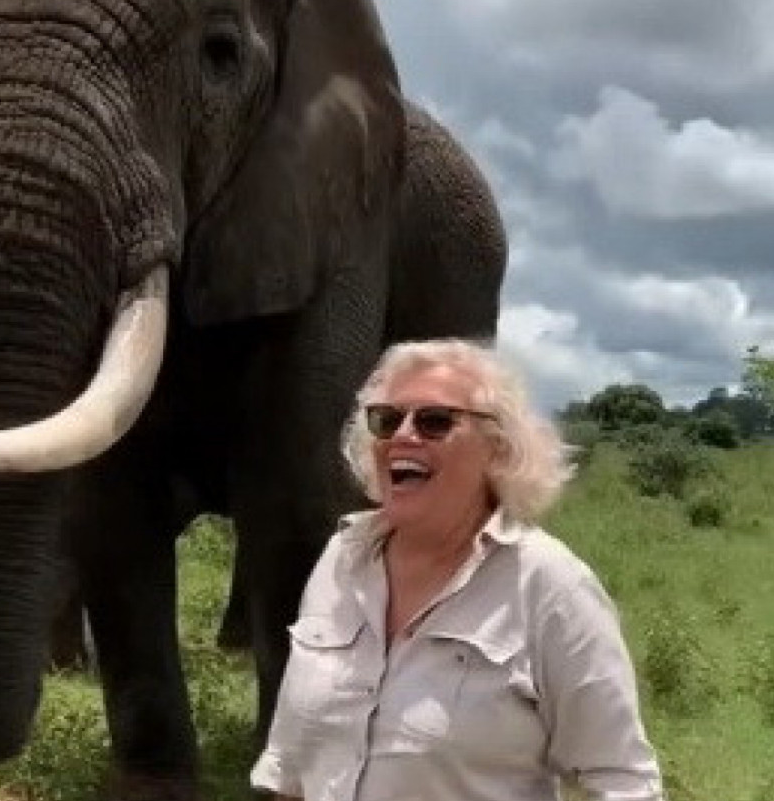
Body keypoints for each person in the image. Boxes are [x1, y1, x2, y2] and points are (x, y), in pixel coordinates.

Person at [251, 339, 664, 801]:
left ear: (498, 449)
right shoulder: (342, 560)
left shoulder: (550, 586)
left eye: (435, 422)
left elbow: (624, 780)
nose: (403, 436)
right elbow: (290, 768)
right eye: (386, 420)